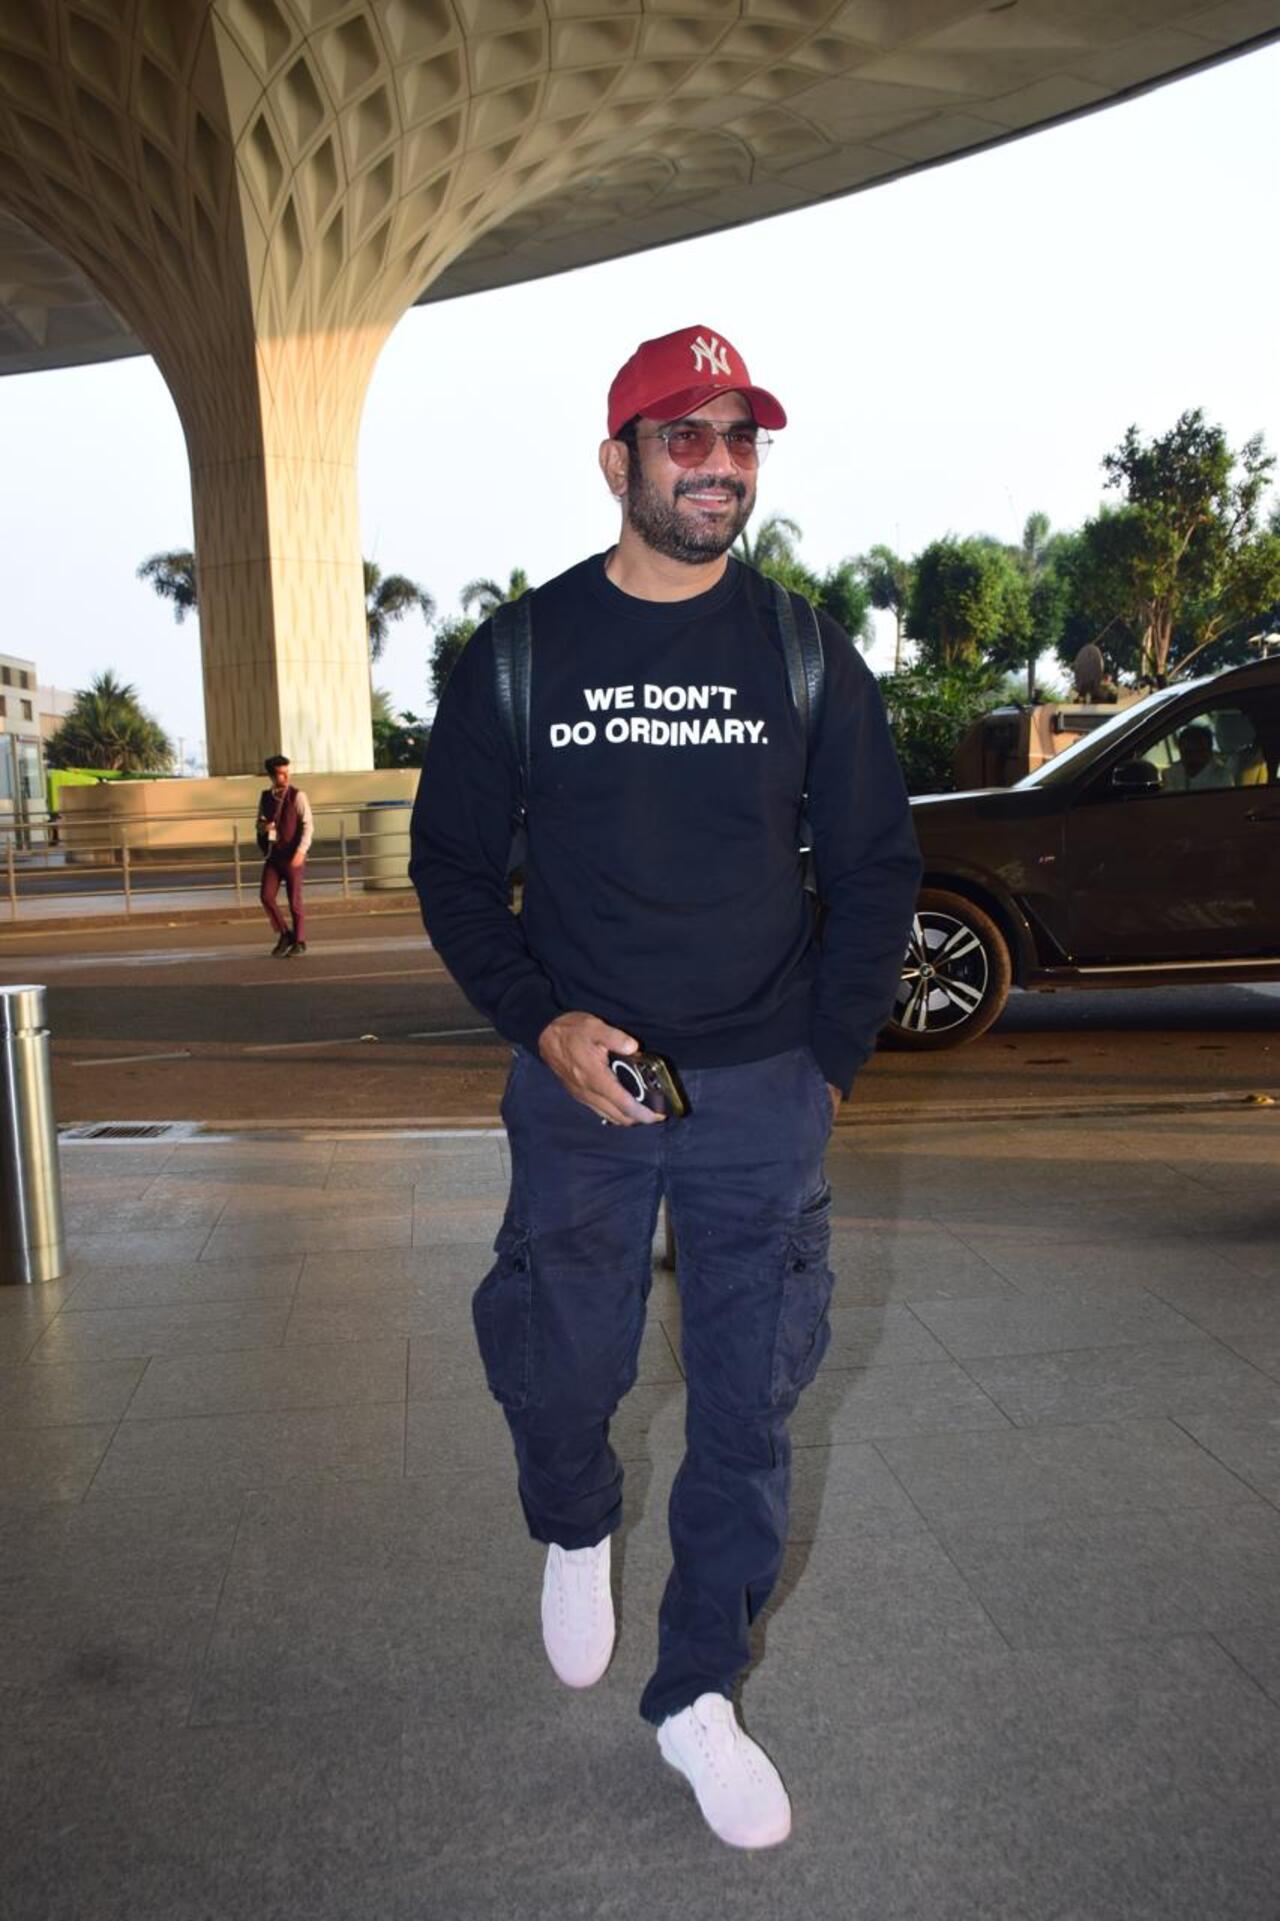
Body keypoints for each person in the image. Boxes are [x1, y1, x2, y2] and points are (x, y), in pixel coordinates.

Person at [410, 325, 921, 1850]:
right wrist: (540, 1024)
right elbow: (450, 869)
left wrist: (827, 1067)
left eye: (740, 437)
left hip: (760, 1086)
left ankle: (699, 1690)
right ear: (617, 460)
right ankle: (575, 1521)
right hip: (584, 1086)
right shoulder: (522, 654)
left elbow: (877, 866)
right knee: (567, 1369)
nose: (718, 464)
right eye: (684, 436)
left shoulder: (803, 651)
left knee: (748, 1407)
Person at [256, 754, 312, 956]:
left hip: (293, 856)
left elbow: (308, 825)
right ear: (272, 776)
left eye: (288, 772)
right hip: (273, 856)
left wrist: (301, 851)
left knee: (294, 901)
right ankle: (285, 933)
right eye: (281, 774)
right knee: (266, 896)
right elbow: (259, 823)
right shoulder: (265, 797)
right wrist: (264, 827)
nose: (286, 777)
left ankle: (300, 940)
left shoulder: (298, 796)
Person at [1163, 722, 1231, 792]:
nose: (1191, 757)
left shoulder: (1221, 776)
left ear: (1208, 752)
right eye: (1186, 752)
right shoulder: (1172, 773)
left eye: (1197, 751)